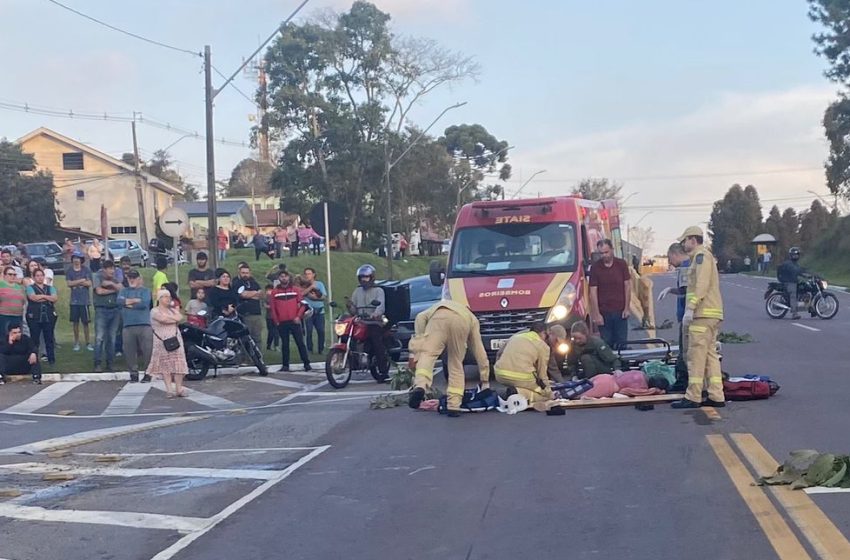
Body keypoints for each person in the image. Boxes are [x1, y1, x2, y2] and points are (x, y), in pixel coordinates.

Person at [671, 226, 725, 409]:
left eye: (684, 240)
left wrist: (690, 309)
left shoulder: (701, 258)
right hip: (711, 314)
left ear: (693, 240)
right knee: (710, 356)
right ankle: (716, 394)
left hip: (702, 314)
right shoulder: (702, 258)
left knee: (695, 355)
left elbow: (700, 285)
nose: (683, 244)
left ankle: (693, 395)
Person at [407, 300, 490, 416]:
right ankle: (453, 405)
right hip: (461, 323)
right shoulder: (472, 318)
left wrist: (418, 348)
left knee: (427, 355)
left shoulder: (438, 306)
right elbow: (478, 350)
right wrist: (485, 379)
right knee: (455, 363)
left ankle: (420, 386)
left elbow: (420, 317)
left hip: (437, 319)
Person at [494, 323, 568, 406]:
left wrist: (499, 367)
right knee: (541, 392)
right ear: (548, 333)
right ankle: (517, 392)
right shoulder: (542, 345)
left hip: (499, 374)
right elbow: (542, 375)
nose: (556, 344)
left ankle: (512, 391)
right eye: (556, 341)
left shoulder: (520, 336)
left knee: (535, 381)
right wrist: (549, 394)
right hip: (520, 375)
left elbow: (500, 351)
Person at [347, 264, 389, 381]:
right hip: (361, 321)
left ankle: (383, 371)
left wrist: (375, 315)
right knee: (347, 334)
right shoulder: (357, 291)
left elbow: (380, 307)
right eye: (362, 278)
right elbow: (354, 309)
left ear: (372, 277)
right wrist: (350, 306)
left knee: (376, 342)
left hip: (374, 322)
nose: (364, 280)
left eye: (366, 277)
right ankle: (352, 362)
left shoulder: (378, 290)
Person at [658, 242, 690, 391]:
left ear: (676, 254)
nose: (670, 262)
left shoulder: (684, 267)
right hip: (689, 314)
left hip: (688, 315)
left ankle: (682, 383)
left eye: (670, 258)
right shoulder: (690, 264)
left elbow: (685, 291)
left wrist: (670, 290)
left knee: (685, 351)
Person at [589, 239, 631, 349]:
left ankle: (622, 365)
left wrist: (627, 308)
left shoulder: (621, 264)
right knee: (606, 343)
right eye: (601, 253)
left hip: (620, 312)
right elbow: (593, 291)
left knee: (622, 342)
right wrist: (596, 314)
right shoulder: (595, 268)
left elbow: (627, 286)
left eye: (606, 252)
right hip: (604, 313)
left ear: (612, 250)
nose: (604, 256)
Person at [148, 289, 189, 398]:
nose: (168, 298)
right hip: (161, 340)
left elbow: (180, 317)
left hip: (176, 339)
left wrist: (172, 318)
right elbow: (162, 320)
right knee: (165, 365)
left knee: (179, 363)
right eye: (165, 296)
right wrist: (173, 319)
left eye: (169, 296)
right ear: (159, 299)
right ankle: (169, 390)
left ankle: (179, 388)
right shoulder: (154, 311)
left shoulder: (173, 310)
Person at [270, 270, 311, 372]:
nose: (284, 278)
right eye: (282, 276)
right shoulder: (274, 292)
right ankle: (285, 365)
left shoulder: (295, 290)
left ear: (289, 277)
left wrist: (298, 317)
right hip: (282, 322)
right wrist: (277, 321)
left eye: (285, 276)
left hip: (294, 321)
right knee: (285, 344)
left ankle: (307, 363)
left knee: (300, 343)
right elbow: (273, 308)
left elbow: (303, 305)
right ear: (279, 278)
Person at [118, 269, 153, 383]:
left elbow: (144, 303)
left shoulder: (146, 291)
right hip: (128, 325)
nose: (131, 280)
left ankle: (148, 373)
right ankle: (133, 373)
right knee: (129, 350)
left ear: (139, 279)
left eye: (134, 277)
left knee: (148, 350)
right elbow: (119, 302)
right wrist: (135, 301)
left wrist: (128, 303)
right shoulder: (123, 291)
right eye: (129, 278)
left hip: (144, 324)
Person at [92, 260, 122, 373]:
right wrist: (113, 290)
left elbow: (121, 288)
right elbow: (99, 291)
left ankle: (110, 363)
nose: (112, 271)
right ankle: (97, 363)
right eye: (110, 269)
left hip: (114, 310)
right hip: (101, 309)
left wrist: (111, 285)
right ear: (104, 269)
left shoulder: (114, 279)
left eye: (113, 269)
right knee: (99, 337)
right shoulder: (97, 276)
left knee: (112, 338)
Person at [25, 268, 58, 366]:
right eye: (37, 276)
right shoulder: (30, 287)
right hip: (34, 316)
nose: (40, 277)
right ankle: (35, 358)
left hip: (48, 315)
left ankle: (51, 359)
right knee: (35, 338)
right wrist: (47, 298)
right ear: (34, 277)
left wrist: (42, 297)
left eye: (41, 275)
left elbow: (54, 298)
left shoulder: (50, 287)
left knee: (49, 338)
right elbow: (33, 298)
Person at [66, 253, 93, 352]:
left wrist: (76, 282)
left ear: (81, 260)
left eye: (78, 258)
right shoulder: (69, 271)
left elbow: (89, 283)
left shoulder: (86, 270)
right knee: (75, 323)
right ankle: (76, 342)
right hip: (74, 301)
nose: (76, 260)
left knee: (86, 323)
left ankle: (88, 342)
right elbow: (69, 283)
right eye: (75, 258)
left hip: (84, 300)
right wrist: (82, 280)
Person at [232, 263, 264, 346]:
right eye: (243, 273)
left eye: (247, 273)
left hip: (256, 314)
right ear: (239, 273)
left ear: (250, 273)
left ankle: (258, 357)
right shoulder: (237, 283)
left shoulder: (254, 283)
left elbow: (261, 295)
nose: (245, 275)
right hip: (245, 315)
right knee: (246, 339)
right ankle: (245, 358)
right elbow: (242, 294)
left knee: (257, 338)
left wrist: (250, 294)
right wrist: (255, 293)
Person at [302, 267, 327, 354]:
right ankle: (309, 349)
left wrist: (315, 298)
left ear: (313, 275)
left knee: (321, 330)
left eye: (309, 274)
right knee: (308, 330)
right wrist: (311, 287)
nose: (307, 276)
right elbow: (302, 293)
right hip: (308, 311)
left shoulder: (319, 284)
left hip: (319, 311)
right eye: (305, 274)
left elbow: (323, 296)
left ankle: (321, 349)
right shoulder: (303, 285)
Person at [777, 247, 805, 321]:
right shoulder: (788, 263)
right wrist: (801, 273)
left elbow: (800, 270)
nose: (796, 256)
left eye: (797, 255)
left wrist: (809, 275)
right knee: (793, 294)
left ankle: (807, 307)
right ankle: (794, 313)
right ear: (791, 255)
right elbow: (795, 270)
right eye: (794, 255)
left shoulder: (795, 264)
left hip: (793, 281)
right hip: (788, 282)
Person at [0, 266, 26, 337]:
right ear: (5, 275)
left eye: (14, 275)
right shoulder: (1, 285)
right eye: (10, 274)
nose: (12, 276)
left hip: (18, 316)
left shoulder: (19, 287)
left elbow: (23, 301)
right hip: (4, 316)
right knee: (4, 337)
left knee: (17, 337)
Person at [263, 284, 279, 350]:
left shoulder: (275, 296)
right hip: (269, 317)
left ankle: (276, 345)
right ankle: (269, 345)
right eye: (268, 290)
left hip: (276, 317)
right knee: (271, 331)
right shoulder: (265, 297)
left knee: (276, 331)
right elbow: (265, 306)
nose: (269, 291)